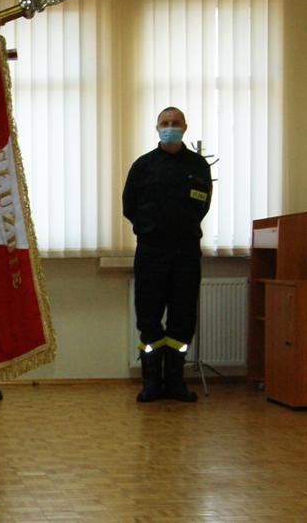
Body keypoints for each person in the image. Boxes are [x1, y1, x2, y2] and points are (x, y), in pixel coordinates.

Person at [121, 106, 212, 403]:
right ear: (156, 128)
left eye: (175, 123)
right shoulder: (143, 166)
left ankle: (175, 383)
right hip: (151, 252)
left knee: (182, 320)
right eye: (164, 123)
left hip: (185, 254)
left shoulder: (198, 166)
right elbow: (128, 206)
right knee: (148, 319)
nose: (169, 127)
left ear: (185, 128)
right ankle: (151, 384)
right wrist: (151, 228)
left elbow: (203, 204)